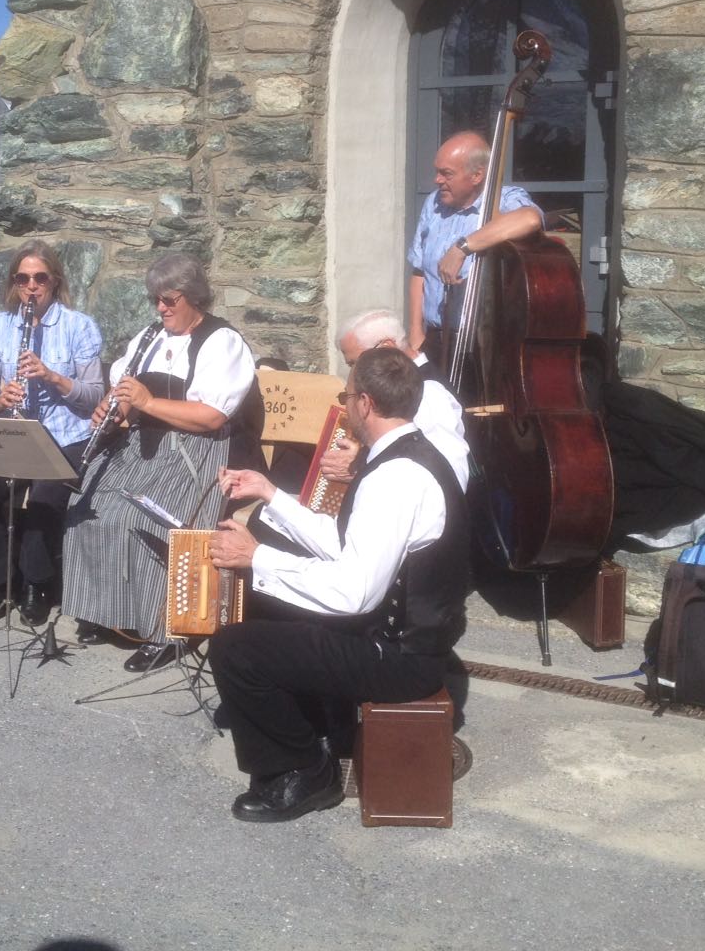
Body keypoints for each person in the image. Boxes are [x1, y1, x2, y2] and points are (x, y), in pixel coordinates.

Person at [206, 347, 469, 823]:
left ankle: (305, 772)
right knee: (266, 603)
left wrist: (257, 556)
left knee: (233, 648)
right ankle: (316, 733)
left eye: (347, 397)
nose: (346, 407)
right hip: (396, 638)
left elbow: (355, 593)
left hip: (398, 659)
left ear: (365, 403)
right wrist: (271, 494)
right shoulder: (406, 456)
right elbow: (347, 544)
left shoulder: (397, 477)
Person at [61, 253, 259, 672]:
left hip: (200, 451)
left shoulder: (221, 341)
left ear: (193, 298)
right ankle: (106, 612)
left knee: (153, 521)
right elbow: (126, 394)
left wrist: (148, 402)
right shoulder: (149, 337)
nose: (161, 308)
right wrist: (112, 410)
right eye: (156, 300)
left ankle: (165, 631)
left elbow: (211, 416)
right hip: (143, 444)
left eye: (169, 300)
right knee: (90, 508)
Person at [0, 241, 103, 627]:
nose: (31, 286)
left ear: (54, 281)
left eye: (40, 278)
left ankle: (37, 584)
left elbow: (95, 396)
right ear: (14, 284)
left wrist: (53, 377)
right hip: (15, 432)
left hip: (65, 436)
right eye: (22, 279)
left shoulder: (78, 327)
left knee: (44, 499)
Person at [408, 130, 543, 370]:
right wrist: (416, 333)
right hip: (436, 339)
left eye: (446, 173)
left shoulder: (503, 200)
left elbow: (530, 219)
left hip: (483, 344)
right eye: (437, 171)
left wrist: (462, 248)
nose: (437, 180)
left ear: (477, 175)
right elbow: (419, 272)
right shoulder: (434, 203)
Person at [320, 308, 470, 491]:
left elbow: (448, 475)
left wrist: (360, 467)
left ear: (387, 347)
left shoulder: (429, 393)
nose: (354, 372)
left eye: (357, 362)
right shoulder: (406, 387)